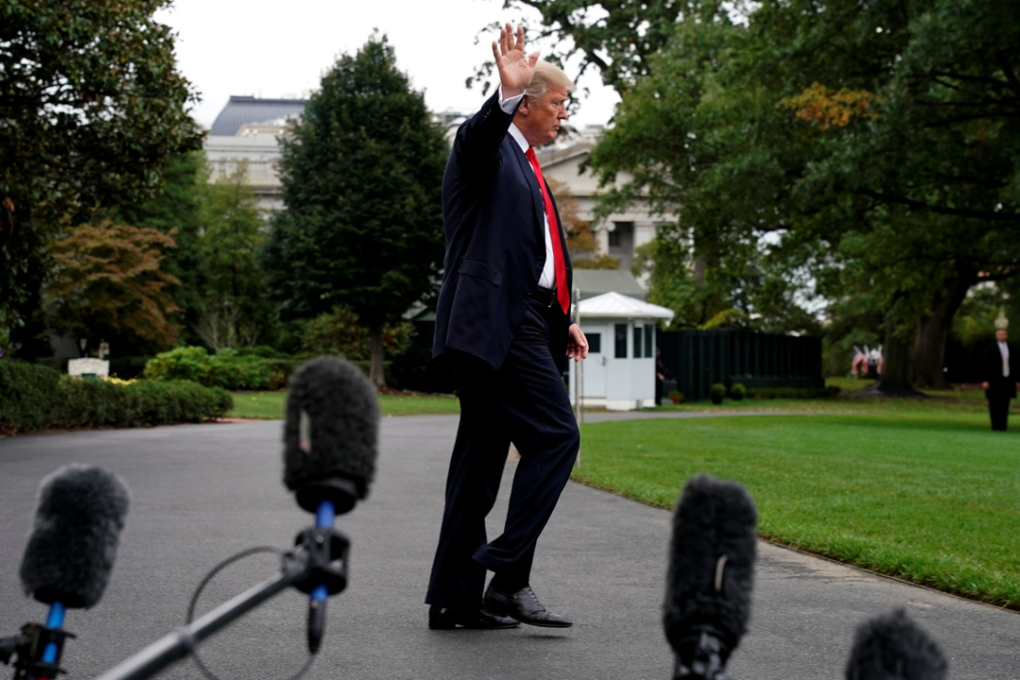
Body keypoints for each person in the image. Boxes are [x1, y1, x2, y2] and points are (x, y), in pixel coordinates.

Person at [425, 23, 589, 630]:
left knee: (479, 467)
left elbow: (534, 255)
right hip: (498, 325)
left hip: (524, 322)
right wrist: (504, 96)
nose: (563, 115)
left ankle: (454, 599)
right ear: (525, 103)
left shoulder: (529, 169)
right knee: (556, 437)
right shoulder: (490, 151)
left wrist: (562, 317)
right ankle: (508, 575)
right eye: (556, 103)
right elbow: (473, 137)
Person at [981, 321, 1018, 432]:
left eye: (1004, 334)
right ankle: (995, 425)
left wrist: (1017, 381)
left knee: (1005, 403)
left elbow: (1016, 364)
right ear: (996, 336)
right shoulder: (990, 349)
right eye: (1000, 334)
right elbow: (985, 365)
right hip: (994, 380)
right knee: (994, 403)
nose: (1002, 336)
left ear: (1006, 336)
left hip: (1007, 380)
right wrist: (985, 380)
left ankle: (1003, 425)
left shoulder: (1012, 348)